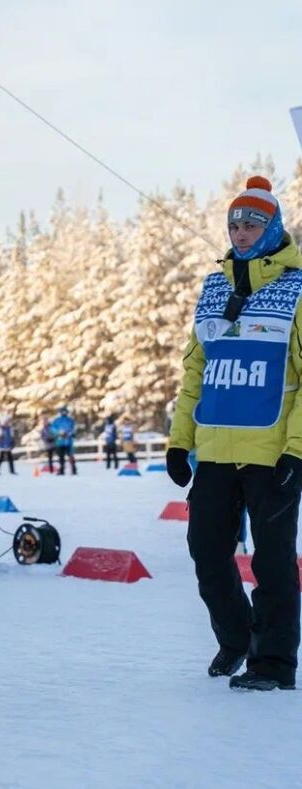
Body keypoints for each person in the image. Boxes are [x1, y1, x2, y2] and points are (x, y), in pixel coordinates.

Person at [166, 176, 302, 692]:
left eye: (252, 224)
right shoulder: (214, 288)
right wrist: (181, 441)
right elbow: (194, 372)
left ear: (273, 229)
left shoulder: (297, 290)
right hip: (217, 449)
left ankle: (272, 664)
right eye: (234, 224)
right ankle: (238, 636)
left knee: (271, 564)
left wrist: (298, 450)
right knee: (206, 550)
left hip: (273, 453)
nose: (241, 232)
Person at [49, 406, 77, 475]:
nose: (64, 413)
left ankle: (73, 469)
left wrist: (69, 434)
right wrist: (59, 433)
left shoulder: (70, 420)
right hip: (60, 442)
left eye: (65, 411)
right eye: (62, 411)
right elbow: (52, 428)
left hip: (68, 442)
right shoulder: (57, 420)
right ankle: (61, 469)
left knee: (70, 455)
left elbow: (74, 428)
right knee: (61, 457)